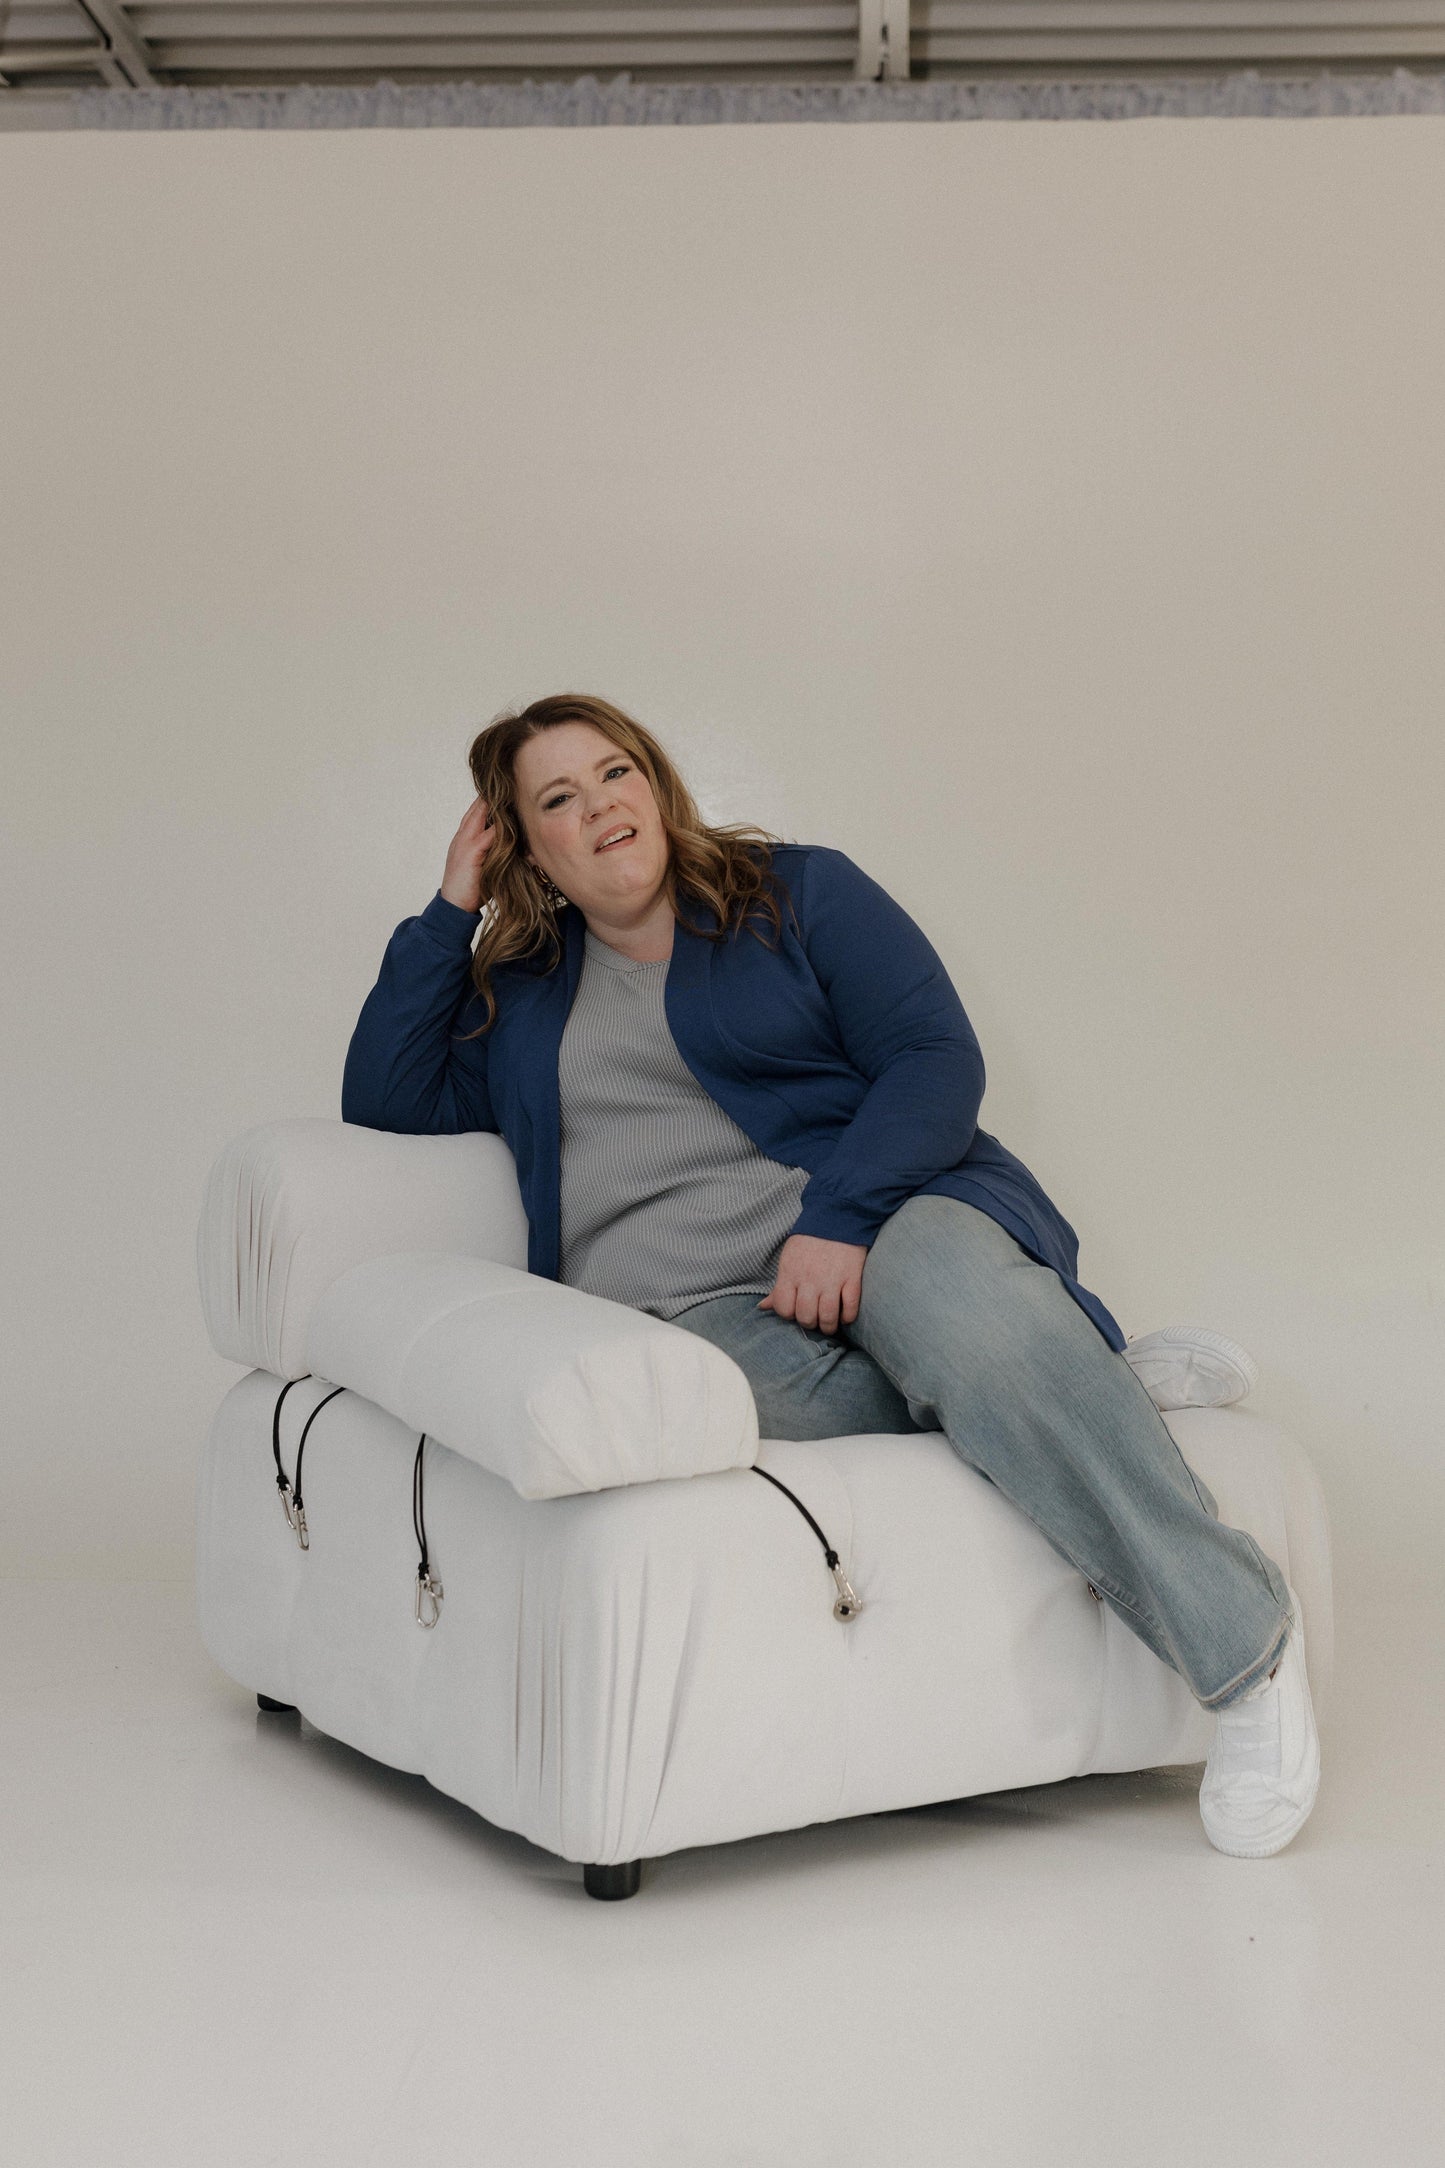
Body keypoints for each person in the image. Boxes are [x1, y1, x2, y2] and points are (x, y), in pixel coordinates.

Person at [342, 691, 1320, 1859]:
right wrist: (451, 906)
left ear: (654, 780)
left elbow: (933, 1056)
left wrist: (840, 1221)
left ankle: (1247, 1659)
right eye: (557, 797)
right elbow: (386, 1097)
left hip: (884, 1222)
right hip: (698, 1317)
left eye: (614, 772)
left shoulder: (794, 893)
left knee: (962, 1319)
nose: (599, 805)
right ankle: (1068, 1367)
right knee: (937, 1368)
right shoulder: (518, 994)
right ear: (525, 847)